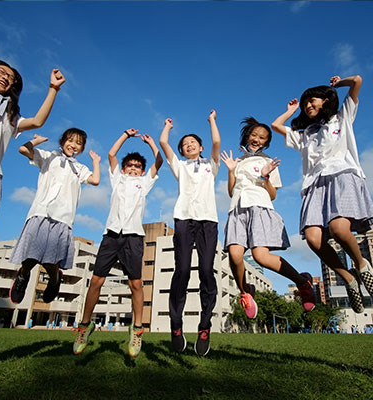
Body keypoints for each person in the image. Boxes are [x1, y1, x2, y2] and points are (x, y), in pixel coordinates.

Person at [271, 75, 373, 313]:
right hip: (314, 185)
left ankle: (361, 265)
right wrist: (291, 110)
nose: (308, 105)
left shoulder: (342, 117)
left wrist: (339, 83)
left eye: (312, 100)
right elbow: (276, 126)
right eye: (305, 103)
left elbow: (357, 81)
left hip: (342, 175)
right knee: (314, 239)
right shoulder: (304, 134)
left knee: (339, 230)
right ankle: (348, 278)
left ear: (326, 100)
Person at [0, 15, 66, 275]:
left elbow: (37, 121)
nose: (6, 77)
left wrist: (53, 89)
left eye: (10, 77)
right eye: (0, 71)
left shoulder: (10, 114)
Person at [72, 129, 162, 358]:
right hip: (111, 235)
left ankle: (137, 330)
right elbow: (112, 154)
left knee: (136, 285)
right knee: (96, 281)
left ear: (142, 171)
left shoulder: (144, 183)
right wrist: (124, 135)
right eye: (129, 165)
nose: (133, 168)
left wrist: (152, 144)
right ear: (123, 169)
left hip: (133, 237)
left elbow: (159, 161)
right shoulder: (117, 178)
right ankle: (84, 326)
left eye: (137, 166)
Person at [221, 117, 316, 319]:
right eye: (254, 135)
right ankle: (245, 291)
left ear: (266, 142)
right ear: (248, 136)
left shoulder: (268, 162)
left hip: (259, 206)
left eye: (262, 137)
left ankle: (302, 282)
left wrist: (265, 176)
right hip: (237, 209)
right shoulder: (237, 162)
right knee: (235, 255)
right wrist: (230, 171)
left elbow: (272, 195)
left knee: (260, 257)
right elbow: (231, 191)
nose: (257, 139)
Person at [9, 128, 101, 304]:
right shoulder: (48, 156)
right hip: (40, 212)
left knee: (51, 260)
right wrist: (37, 141)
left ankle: (55, 279)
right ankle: (22, 276)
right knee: (31, 256)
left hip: (63, 218)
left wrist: (96, 162)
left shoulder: (79, 168)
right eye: (70, 140)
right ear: (62, 142)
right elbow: (23, 149)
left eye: (78, 143)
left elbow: (95, 180)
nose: (73, 145)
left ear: (81, 149)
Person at [159, 110, 220, 357]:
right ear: (182, 151)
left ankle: (204, 327)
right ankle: (176, 325)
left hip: (208, 221)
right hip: (184, 219)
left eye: (193, 142)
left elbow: (217, 142)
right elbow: (164, 143)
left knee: (206, 271)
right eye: (185, 145)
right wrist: (167, 127)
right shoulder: (180, 167)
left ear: (200, 147)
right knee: (182, 270)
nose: (189, 145)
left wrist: (211, 121)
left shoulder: (210, 165)